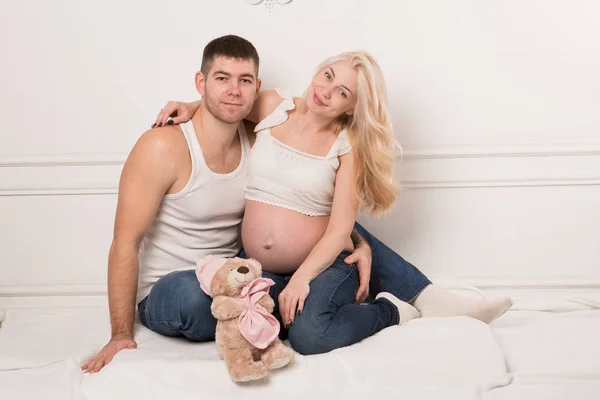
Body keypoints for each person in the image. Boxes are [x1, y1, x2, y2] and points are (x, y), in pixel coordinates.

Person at [154, 43, 513, 355]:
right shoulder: (273, 106)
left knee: (311, 336)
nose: (326, 91)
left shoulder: (347, 147)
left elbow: (340, 228)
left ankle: (393, 310)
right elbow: (230, 104)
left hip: (322, 265)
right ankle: (416, 294)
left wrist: (301, 280)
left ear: (351, 108)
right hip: (260, 267)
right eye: (327, 76)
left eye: (342, 92)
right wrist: (191, 106)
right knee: (207, 304)